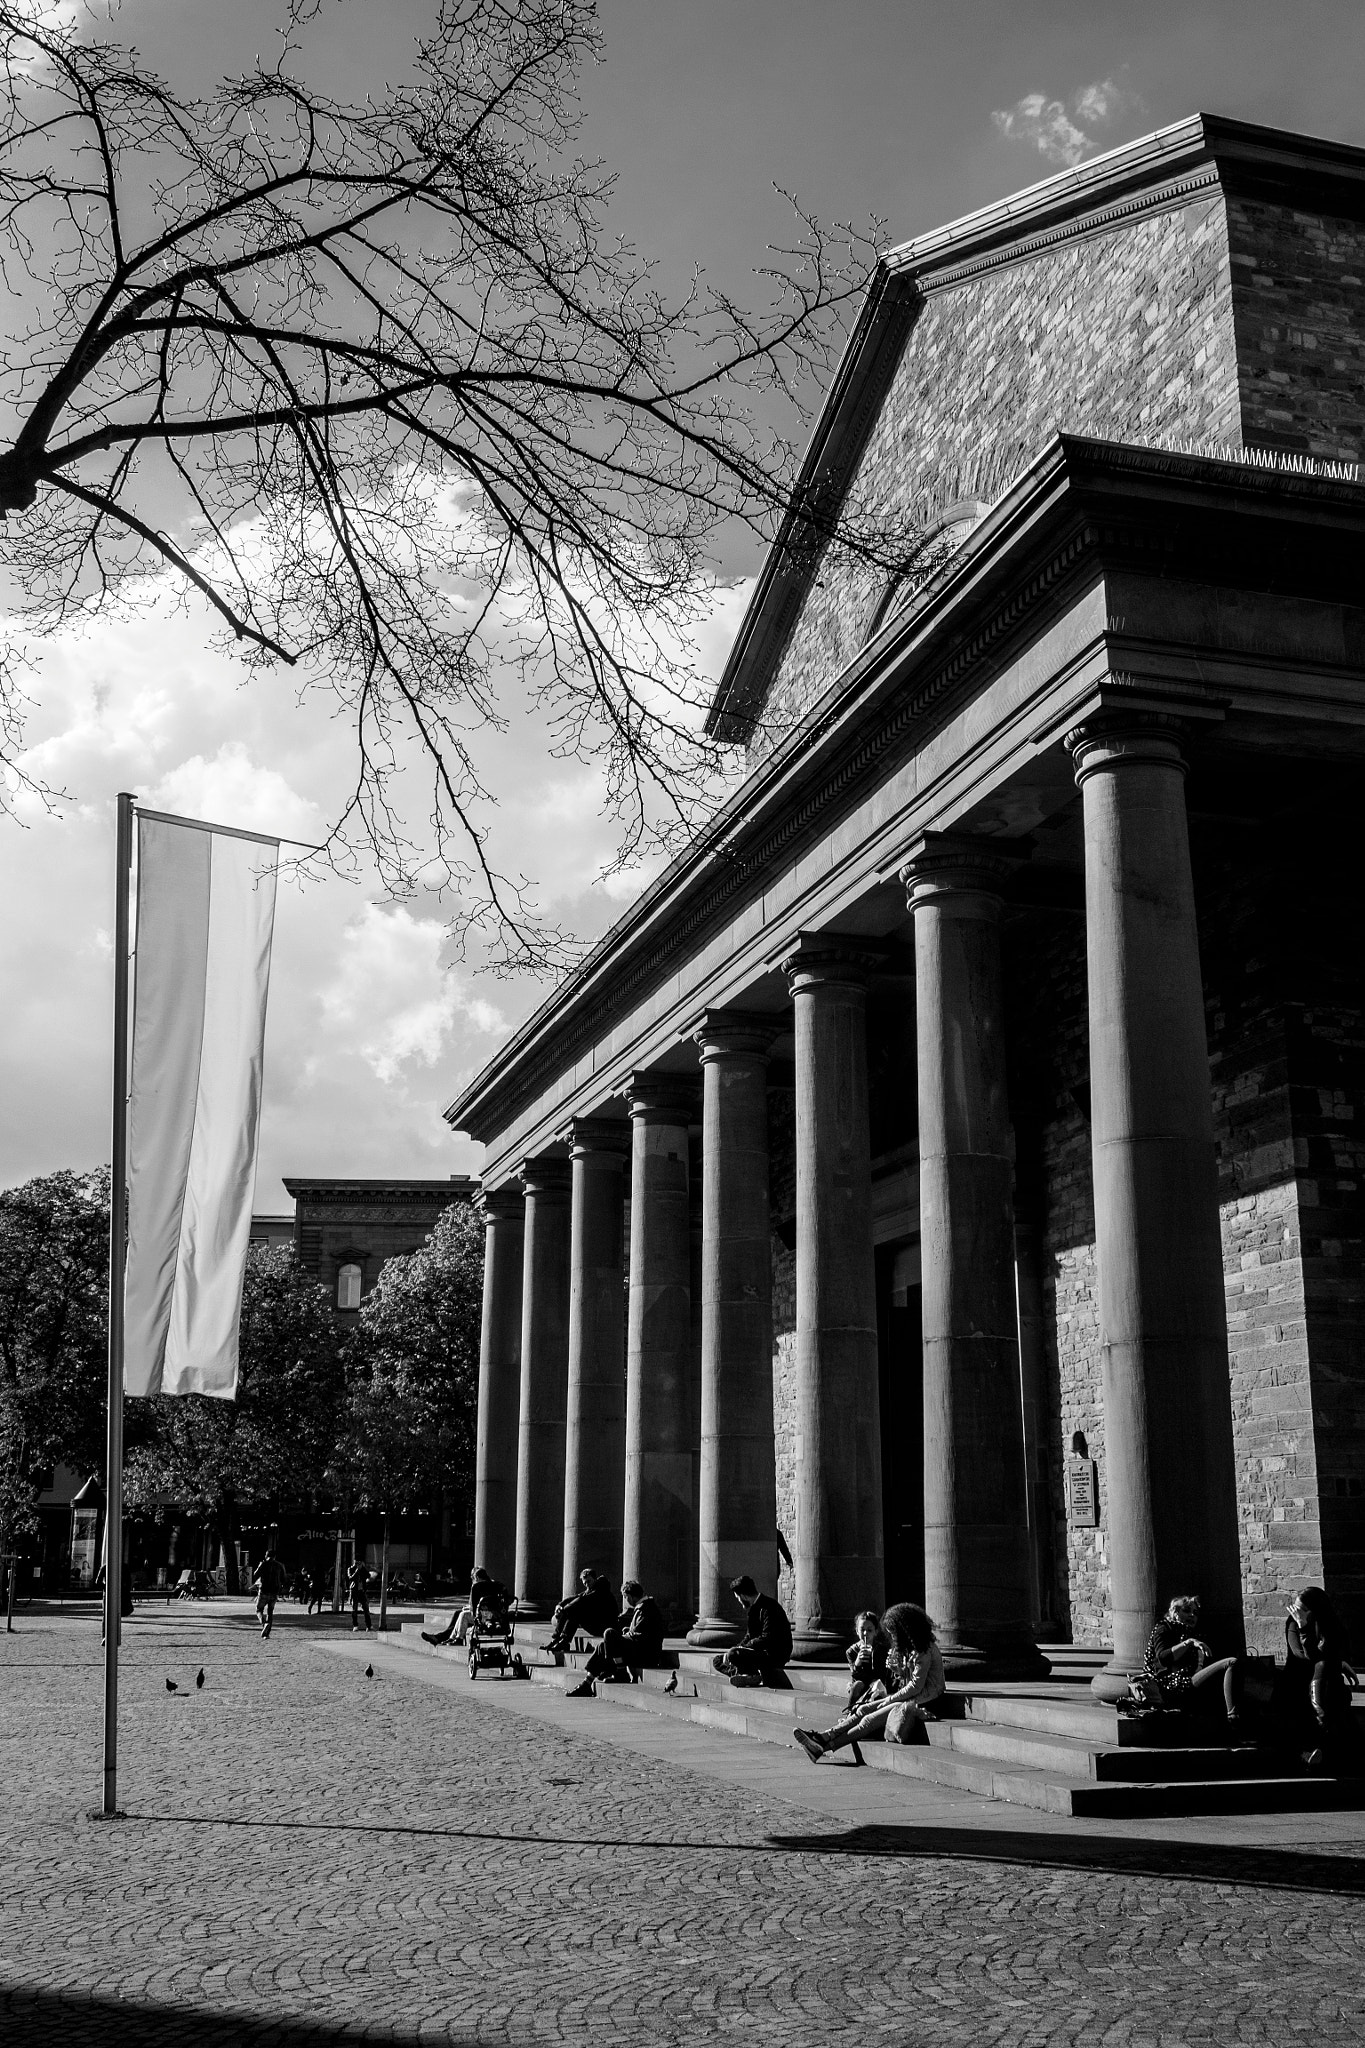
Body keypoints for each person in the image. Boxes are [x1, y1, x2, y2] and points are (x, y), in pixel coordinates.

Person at [794, 1602, 945, 1763]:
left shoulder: (924, 1649)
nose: (892, 1637)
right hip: (911, 1696)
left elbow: (916, 1686)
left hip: (926, 1700)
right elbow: (910, 1681)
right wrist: (898, 1671)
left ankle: (823, 1746)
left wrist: (890, 1698)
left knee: (868, 1719)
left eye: (893, 1632)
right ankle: (823, 1736)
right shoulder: (912, 1647)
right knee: (863, 1708)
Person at [1277, 1586, 1357, 1770]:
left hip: (1324, 1682)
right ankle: (1323, 1730)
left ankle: (1327, 1734)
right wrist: (1303, 1627)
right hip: (1296, 1683)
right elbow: (1303, 1656)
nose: (1296, 1613)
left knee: (1326, 1673)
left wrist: (1338, 1662)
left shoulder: (1330, 1624)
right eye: (1295, 1608)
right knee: (1323, 1668)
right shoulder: (1293, 1623)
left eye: (1301, 1610)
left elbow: (1329, 1651)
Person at [1143, 1594, 1247, 1732]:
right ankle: (1233, 1720)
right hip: (1173, 1685)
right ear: (1175, 1612)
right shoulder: (1164, 1628)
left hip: (1192, 1680)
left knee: (1237, 1669)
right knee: (1231, 1663)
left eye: (1195, 1613)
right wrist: (1189, 1643)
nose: (1192, 1615)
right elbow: (1163, 1658)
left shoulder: (1194, 1633)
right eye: (1186, 1611)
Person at [568, 1580, 666, 1697]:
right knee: (602, 1645)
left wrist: (626, 1635)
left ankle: (619, 1671)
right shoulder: (644, 1607)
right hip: (639, 1649)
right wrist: (628, 1632)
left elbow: (641, 1637)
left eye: (625, 1597)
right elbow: (638, 1632)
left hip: (647, 1654)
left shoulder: (646, 1608)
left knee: (609, 1634)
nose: (626, 1600)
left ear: (631, 1596)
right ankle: (587, 1683)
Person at [711, 1575, 792, 1689]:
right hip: (758, 1651)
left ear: (743, 1596)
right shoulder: (754, 1609)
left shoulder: (770, 1607)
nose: (739, 1601)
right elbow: (749, 1636)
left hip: (775, 1654)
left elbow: (767, 1638)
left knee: (734, 1655)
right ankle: (746, 1675)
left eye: (738, 1598)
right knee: (718, 1660)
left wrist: (741, 1650)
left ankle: (747, 1674)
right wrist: (736, 1648)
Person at [423, 1567, 505, 1648]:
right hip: (496, 1614)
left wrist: (469, 1606)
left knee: (463, 1614)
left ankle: (458, 1638)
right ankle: (449, 1637)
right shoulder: (496, 1584)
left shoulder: (478, 1587)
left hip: (485, 1616)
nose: (472, 1579)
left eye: (472, 1577)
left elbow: (474, 1606)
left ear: (476, 1577)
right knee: (459, 1613)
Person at [546, 1568, 618, 1656]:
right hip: (597, 1623)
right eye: (585, 1583)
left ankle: (562, 1640)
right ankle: (558, 1639)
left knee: (574, 1612)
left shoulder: (602, 1590)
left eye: (589, 1581)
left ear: (594, 1579)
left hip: (605, 1626)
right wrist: (560, 1605)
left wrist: (564, 1610)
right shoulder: (591, 1589)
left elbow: (582, 1600)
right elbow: (576, 1597)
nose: (587, 1585)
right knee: (571, 1611)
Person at [844, 1609, 890, 1715]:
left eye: (869, 1630)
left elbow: (882, 1673)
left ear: (875, 1632)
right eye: (862, 1629)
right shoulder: (851, 1651)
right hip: (861, 1683)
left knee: (876, 1687)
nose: (865, 1633)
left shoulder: (881, 1649)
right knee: (857, 1685)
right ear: (856, 1631)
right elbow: (855, 1676)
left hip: (877, 1682)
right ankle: (849, 1712)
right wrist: (857, 1663)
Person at [252, 1551, 285, 1639]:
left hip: (264, 1590)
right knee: (270, 1612)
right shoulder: (280, 1565)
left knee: (259, 1609)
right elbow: (284, 1578)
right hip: (275, 1591)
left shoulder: (263, 1564)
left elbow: (255, 1575)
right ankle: (267, 1633)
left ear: (266, 1556)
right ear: (275, 1556)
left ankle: (264, 1623)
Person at [346, 1555, 373, 1633]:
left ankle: (368, 1625)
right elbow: (350, 1578)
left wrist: (363, 1568)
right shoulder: (351, 1569)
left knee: (366, 1608)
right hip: (354, 1590)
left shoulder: (363, 1569)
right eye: (356, 1562)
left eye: (359, 1562)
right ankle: (355, 1625)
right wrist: (357, 1571)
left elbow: (368, 1576)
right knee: (354, 1609)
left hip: (362, 1591)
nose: (357, 1564)